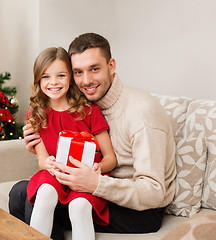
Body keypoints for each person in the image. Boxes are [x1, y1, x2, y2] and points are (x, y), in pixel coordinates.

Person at [9, 33, 176, 239]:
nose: (86, 80)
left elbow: (154, 192)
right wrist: (38, 145)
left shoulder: (142, 113)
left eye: (94, 69)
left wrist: (95, 183)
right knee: (22, 192)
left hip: (137, 210)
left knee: (24, 196)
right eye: (78, 72)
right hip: (95, 188)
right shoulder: (86, 102)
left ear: (111, 66)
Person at [26, 47, 117, 240]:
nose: (53, 83)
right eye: (46, 77)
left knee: (79, 207)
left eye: (60, 75)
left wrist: (96, 168)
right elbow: (42, 161)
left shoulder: (89, 111)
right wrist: (48, 164)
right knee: (45, 192)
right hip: (56, 174)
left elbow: (110, 158)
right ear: (38, 80)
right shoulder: (36, 113)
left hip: (85, 177)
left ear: (70, 78)